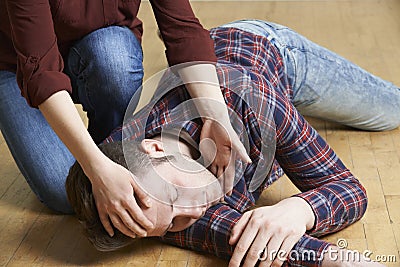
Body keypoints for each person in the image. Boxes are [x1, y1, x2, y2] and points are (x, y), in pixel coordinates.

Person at [65, 19, 400, 266]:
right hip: (255, 103)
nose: (195, 210)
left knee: (391, 111)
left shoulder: (249, 101)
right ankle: (291, 128)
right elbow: (243, 238)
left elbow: (347, 188)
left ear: (156, 149)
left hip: (267, 51)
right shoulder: (146, 206)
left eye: (176, 195)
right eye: (176, 222)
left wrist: (299, 209)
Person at [0, 0, 250, 239]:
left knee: (114, 58)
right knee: (62, 190)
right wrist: (95, 168)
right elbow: (41, 72)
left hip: (101, 48)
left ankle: (114, 164)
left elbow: (182, 29)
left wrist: (216, 115)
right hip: (17, 65)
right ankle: (107, 173)